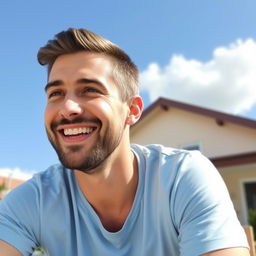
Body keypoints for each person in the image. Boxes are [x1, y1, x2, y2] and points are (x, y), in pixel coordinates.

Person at [0, 28, 250, 256]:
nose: (67, 108)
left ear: (132, 110)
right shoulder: (35, 199)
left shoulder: (182, 177)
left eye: (89, 90)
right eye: (56, 93)